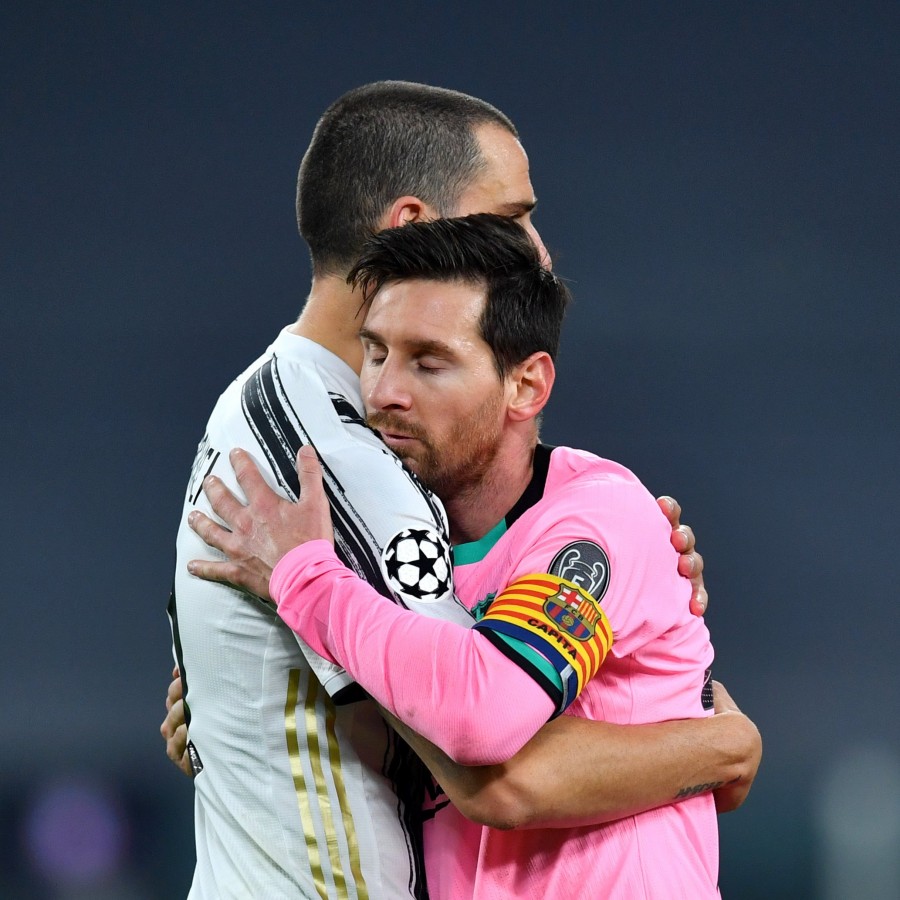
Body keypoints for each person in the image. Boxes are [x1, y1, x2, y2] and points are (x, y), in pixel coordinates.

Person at [166, 81, 758, 900]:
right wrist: (250, 717)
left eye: (428, 362)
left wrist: (301, 590)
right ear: (411, 226)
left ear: (526, 385)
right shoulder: (341, 465)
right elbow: (458, 733)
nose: (538, 249)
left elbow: (485, 744)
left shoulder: (590, 516)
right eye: (511, 217)